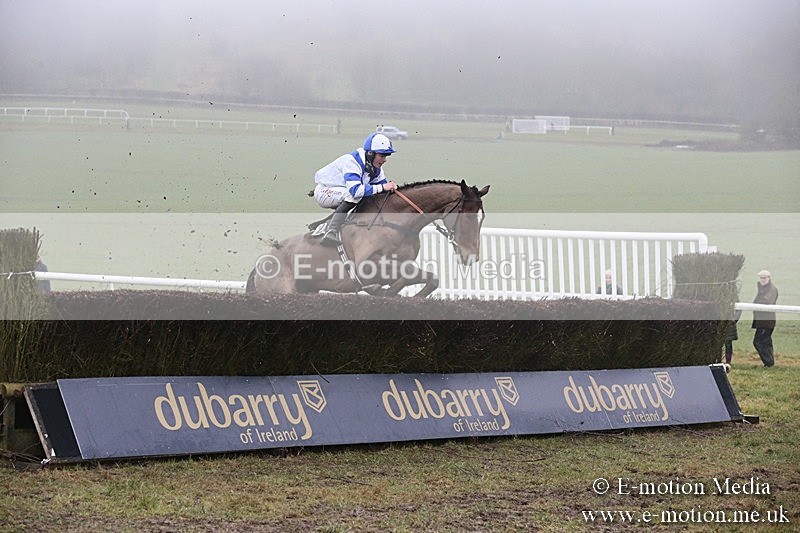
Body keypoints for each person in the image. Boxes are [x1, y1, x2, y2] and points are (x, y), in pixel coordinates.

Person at [313, 133, 398, 246]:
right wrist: (383, 187)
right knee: (355, 196)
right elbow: (356, 191)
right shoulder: (352, 161)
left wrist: (392, 189)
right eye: (382, 156)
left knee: (369, 196)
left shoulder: (375, 168)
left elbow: (383, 190)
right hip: (324, 191)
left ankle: (325, 223)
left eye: (386, 156)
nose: (385, 160)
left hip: (341, 191)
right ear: (370, 154)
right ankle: (331, 231)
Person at [752, 270, 778, 367]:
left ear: (769, 278)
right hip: (762, 321)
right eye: (761, 278)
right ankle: (769, 363)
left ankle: (768, 363)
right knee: (765, 342)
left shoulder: (772, 289)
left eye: (764, 278)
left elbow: (767, 301)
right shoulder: (762, 288)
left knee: (758, 341)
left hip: (766, 321)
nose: (762, 279)